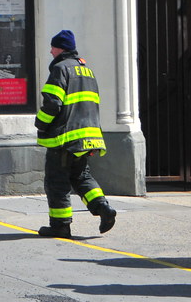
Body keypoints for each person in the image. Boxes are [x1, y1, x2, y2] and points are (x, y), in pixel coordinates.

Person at [35, 30, 117, 238]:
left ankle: (60, 225)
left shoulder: (61, 69)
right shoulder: (87, 70)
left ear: (60, 48)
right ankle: (103, 208)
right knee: (81, 176)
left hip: (66, 138)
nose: (50, 51)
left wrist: (41, 124)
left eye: (53, 47)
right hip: (88, 138)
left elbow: (52, 103)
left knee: (57, 181)